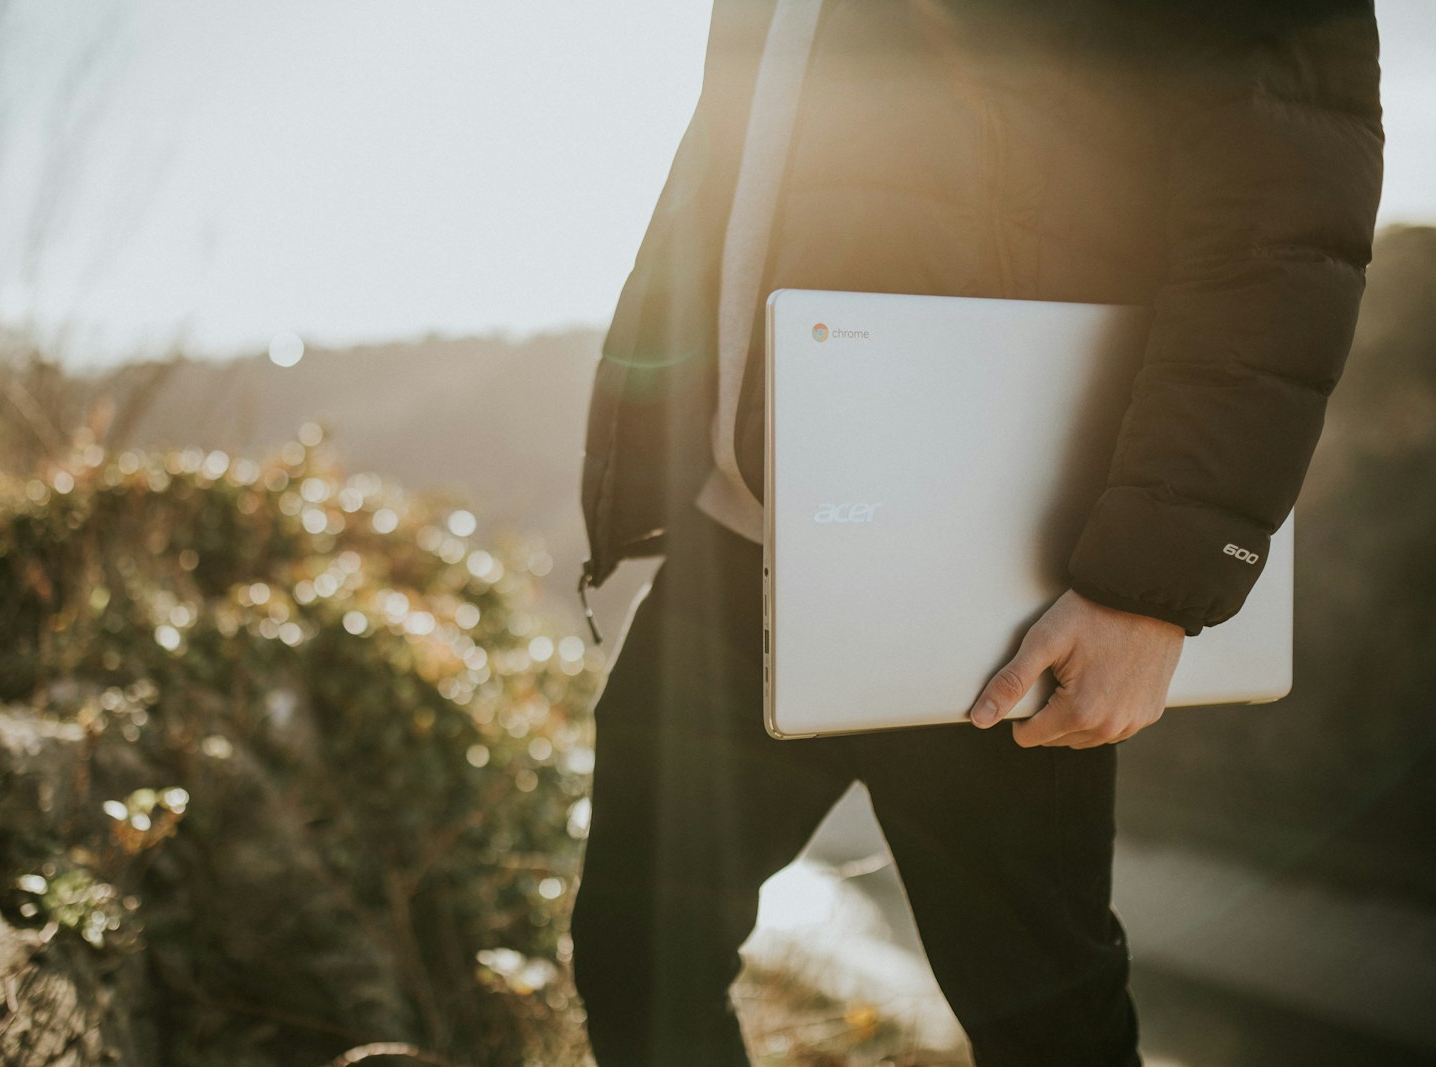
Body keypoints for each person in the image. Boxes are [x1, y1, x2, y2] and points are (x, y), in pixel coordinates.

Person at [569, 2, 1384, 1064]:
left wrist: (1151, 587)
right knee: (637, 955)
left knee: (1044, 1022)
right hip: (736, 543)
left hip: (992, 576)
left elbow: (1280, 222)